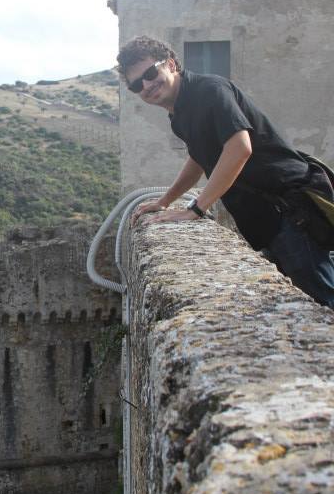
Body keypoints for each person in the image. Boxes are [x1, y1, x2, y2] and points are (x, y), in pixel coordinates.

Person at [117, 35, 334, 308]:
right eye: (137, 84)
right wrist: (165, 200)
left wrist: (196, 209)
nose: (147, 85)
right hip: (268, 221)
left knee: (324, 301)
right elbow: (199, 158)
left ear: (170, 64)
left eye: (150, 73)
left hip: (289, 213)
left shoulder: (210, 91)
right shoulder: (179, 113)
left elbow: (239, 148)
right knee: (307, 303)